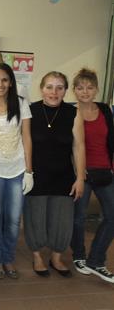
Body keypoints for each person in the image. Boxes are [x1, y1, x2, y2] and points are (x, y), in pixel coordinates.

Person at [24, 71, 85, 278]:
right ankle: (38, 256)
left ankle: (57, 257)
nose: (54, 92)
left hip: (64, 177)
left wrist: (80, 178)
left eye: (59, 87)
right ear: (41, 89)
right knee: (36, 218)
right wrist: (26, 172)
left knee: (62, 220)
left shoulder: (73, 113)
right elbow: (24, 144)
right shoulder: (30, 111)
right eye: (49, 87)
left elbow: (79, 146)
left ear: (65, 91)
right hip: (36, 176)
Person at [0, 63, 32, 279]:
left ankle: (8, 257)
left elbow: (27, 137)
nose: (0, 84)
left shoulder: (21, 104)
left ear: (11, 82)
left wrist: (29, 170)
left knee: (12, 218)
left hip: (18, 169)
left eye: (4, 80)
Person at [70, 68, 114, 283]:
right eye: (80, 87)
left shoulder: (105, 110)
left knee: (112, 215)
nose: (85, 91)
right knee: (78, 218)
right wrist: (77, 171)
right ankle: (78, 256)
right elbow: (71, 146)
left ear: (96, 89)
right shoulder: (70, 112)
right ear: (74, 90)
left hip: (105, 171)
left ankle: (96, 259)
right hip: (83, 173)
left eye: (89, 87)